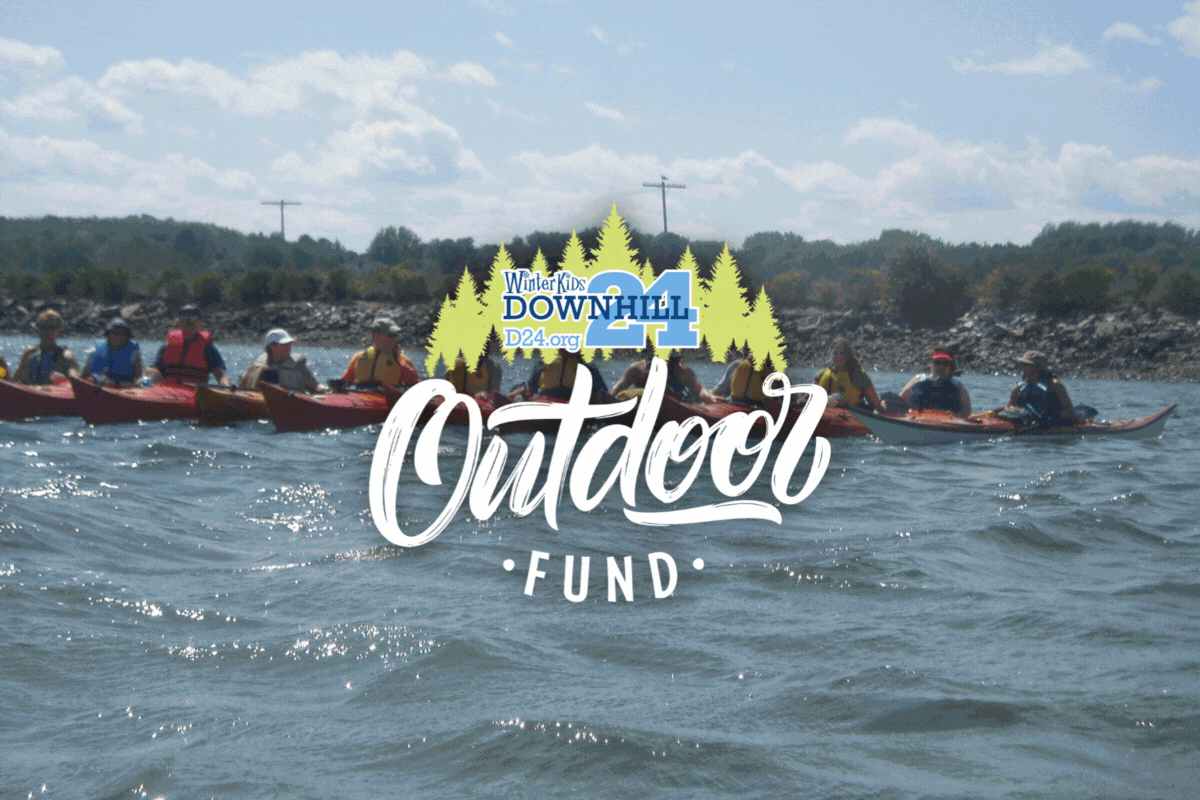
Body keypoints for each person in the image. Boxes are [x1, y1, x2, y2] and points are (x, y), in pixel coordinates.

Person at [145, 304, 232, 387]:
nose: (189, 320)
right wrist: (147, 379)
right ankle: (142, 387)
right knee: (150, 371)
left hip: (196, 392)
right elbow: (154, 370)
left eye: (193, 317)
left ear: (200, 322)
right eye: (184, 317)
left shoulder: (208, 349)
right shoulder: (166, 347)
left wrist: (227, 387)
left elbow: (221, 375)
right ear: (179, 322)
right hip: (169, 391)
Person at [612, 342, 717, 403]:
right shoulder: (637, 369)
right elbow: (614, 392)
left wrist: (707, 396)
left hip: (675, 410)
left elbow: (700, 390)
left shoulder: (682, 370)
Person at [339, 317, 420, 389]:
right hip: (361, 395)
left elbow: (416, 387)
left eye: (395, 335)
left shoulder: (402, 360)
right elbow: (344, 383)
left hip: (388, 397)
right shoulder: (359, 357)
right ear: (376, 335)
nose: (395, 339)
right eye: (391, 335)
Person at [1006, 350, 1079, 426]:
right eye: (1023, 364)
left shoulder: (1055, 386)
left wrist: (1050, 417)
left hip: (1053, 425)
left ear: (1039, 368)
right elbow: (1008, 408)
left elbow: (1071, 412)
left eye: (1027, 365)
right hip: (1027, 425)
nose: (1023, 367)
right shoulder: (1018, 389)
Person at [239, 328, 324, 393]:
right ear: (272, 346)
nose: (288, 347)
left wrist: (321, 389)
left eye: (289, 344)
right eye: (284, 344)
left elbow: (315, 387)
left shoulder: (299, 366)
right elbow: (240, 388)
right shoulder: (256, 366)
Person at [514, 348, 613, 404]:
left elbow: (602, 394)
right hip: (546, 402)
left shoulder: (588, 367)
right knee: (521, 391)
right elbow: (531, 390)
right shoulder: (544, 363)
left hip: (574, 405)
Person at [14, 309, 80, 385]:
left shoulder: (66, 356)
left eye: (52, 327)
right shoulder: (29, 354)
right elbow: (14, 380)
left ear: (58, 331)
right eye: (43, 326)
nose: (47, 331)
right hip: (29, 391)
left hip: (55, 392)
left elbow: (76, 381)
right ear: (38, 329)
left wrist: (65, 380)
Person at [899, 347, 971, 416]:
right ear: (931, 364)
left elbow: (967, 412)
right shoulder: (919, 379)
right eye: (937, 362)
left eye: (945, 363)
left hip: (947, 421)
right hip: (916, 419)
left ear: (950, 366)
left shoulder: (958, 386)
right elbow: (899, 401)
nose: (941, 366)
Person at [812, 337, 880, 410]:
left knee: (837, 397)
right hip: (823, 410)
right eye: (835, 353)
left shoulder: (859, 376)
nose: (838, 356)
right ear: (831, 354)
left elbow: (875, 405)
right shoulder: (821, 374)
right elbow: (807, 397)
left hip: (852, 412)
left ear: (848, 356)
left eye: (842, 353)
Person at [81, 317, 144, 385]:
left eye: (122, 333)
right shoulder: (95, 351)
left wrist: (134, 385)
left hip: (124, 387)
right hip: (96, 386)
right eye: (115, 333)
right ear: (108, 334)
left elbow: (140, 377)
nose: (118, 336)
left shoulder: (134, 353)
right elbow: (84, 376)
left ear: (127, 336)